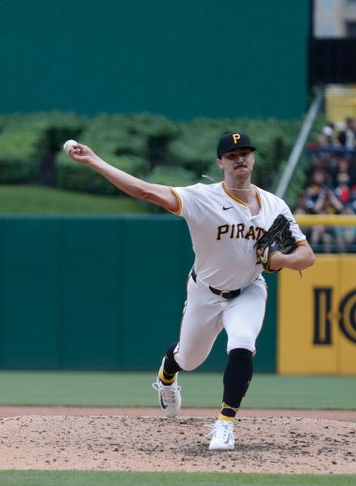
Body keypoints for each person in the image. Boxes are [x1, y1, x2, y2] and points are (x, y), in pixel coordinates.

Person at [66, 131, 315, 450]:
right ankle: (168, 371)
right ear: (220, 162)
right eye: (232, 154)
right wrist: (95, 160)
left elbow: (306, 255)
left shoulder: (274, 207)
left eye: (246, 152)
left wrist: (280, 259)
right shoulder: (202, 198)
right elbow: (143, 191)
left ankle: (225, 423)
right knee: (190, 358)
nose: (240, 158)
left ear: (253, 158)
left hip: (249, 289)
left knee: (241, 342)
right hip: (205, 293)